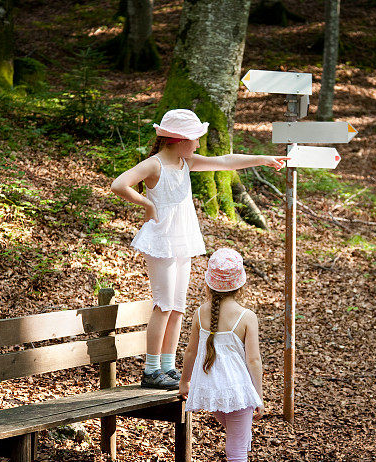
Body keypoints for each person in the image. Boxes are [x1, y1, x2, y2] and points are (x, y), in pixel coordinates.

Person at [110, 109, 287, 389]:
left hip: (182, 240)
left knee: (178, 307)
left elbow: (226, 162)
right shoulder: (154, 165)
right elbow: (119, 184)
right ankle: (151, 368)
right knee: (163, 305)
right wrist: (147, 204)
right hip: (161, 241)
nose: (198, 145)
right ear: (179, 140)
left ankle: (168, 367)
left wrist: (262, 159)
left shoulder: (186, 162)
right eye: (195, 139)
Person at [179, 248, 265, 462]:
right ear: (240, 284)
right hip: (236, 392)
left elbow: (190, 352)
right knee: (238, 451)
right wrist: (259, 396)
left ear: (208, 283)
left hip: (213, 393)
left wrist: (184, 382)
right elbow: (253, 360)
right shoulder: (246, 316)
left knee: (238, 440)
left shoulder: (200, 314)